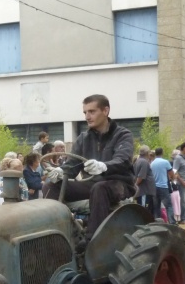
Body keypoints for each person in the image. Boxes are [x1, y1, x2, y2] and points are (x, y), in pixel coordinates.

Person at [43, 94, 136, 247]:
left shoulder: (122, 135)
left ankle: (92, 241)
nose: (87, 116)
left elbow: (123, 160)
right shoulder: (83, 138)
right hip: (92, 183)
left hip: (119, 184)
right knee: (50, 186)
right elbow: (73, 164)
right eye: (85, 112)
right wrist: (60, 171)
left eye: (92, 111)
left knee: (100, 188)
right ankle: (54, 235)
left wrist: (104, 166)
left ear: (105, 111)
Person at [150, 147, 175, 223]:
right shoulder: (165, 162)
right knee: (169, 206)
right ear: (162, 152)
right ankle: (172, 222)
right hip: (163, 186)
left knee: (156, 206)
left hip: (154, 187)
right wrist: (172, 178)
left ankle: (158, 222)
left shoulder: (152, 163)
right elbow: (171, 173)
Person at [133, 146, 156, 216]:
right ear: (147, 153)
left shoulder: (138, 161)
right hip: (144, 191)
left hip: (145, 191)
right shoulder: (144, 162)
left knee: (147, 209)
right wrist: (135, 186)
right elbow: (141, 177)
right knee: (144, 210)